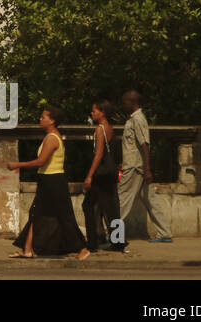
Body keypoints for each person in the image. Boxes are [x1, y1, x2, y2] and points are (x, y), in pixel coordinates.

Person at [8, 105, 90, 259]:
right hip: (47, 180)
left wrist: (17, 165)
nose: (40, 119)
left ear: (52, 121)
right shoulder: (50, 136)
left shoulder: (52, 139)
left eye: (43, 117)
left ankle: (83, 249)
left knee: (65, 216)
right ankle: (28, 249)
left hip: (54, 181)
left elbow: (40, 161)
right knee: (36, 213)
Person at [119, 90, 173, 243]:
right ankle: (165, 233)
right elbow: (134, 146)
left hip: (135, 168)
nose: (124, 105)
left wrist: (147, 169)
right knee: (150, 200)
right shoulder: (134, 119)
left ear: (132, 102)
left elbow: (145, 145)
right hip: (135, 165)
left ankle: (114, 233)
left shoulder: (138, 119)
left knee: (122, 199)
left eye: (125, 102)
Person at [83, 100, 125, 252]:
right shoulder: (109, 128)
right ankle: (118, 241)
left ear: (103, 112)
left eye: (95, 111)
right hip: (110, 173)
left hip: (101, 174)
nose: (92, 113)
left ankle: (93, 243)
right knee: (111, 208)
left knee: (88, 205)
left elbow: (99, 154)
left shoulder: (100, 129)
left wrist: (89, 175)